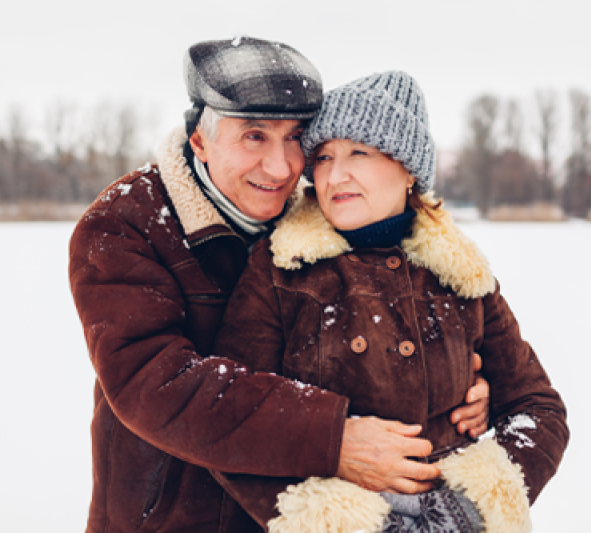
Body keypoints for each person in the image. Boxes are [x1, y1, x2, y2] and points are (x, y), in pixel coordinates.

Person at [69, 38, 490, 533]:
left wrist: (455, 381)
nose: (281, 167)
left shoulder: (323, 223)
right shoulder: (126, 224)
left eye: (294, 139)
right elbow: (156, 383)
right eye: (254, 137)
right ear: (199, 141)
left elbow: (369, 340)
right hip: (170, 519)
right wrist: (331, 439)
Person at [212, 71, 570, 532]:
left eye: (358, 152)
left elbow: (538, 408)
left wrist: (474, 509)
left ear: (408, 169)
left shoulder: (460, 274)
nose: (335, 174)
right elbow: (231, 420)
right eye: (322, 157)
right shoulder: (281, 269)